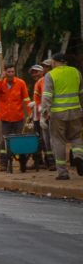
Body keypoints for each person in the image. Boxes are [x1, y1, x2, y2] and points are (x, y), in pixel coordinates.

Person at [40, 52, 83, 180]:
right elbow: (81, 93)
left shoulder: (50, 75)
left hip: (57, 113)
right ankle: (79, 157)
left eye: (52, 62)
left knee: (58, 141)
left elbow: (47, 96)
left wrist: (44, 114)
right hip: (75, 111)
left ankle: (63, 173)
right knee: (76, 137)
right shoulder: (76, 72)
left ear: (55, 62)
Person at [0, 64, 31, 172]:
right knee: (4, 142)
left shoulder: (20, 83)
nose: (11, 74)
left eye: (12, 72)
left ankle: (23, 164)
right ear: (5, 72)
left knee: (20, 141)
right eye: (8, 72)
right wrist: (0, 79)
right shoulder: (1, 83)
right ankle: (3, 164)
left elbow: (26, 99)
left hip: (18, 117)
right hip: (5, 118)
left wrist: (31, 114)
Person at [32, 60, 57, 170]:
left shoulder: (51, 79)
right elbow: (38, 101)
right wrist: (41, 115)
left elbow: (44, 99)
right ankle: (51, 162)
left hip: (54, 114)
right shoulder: (40, 82)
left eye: (47, 67)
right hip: (47, 114)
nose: (46, 69)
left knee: (53, 139)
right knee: (47, 139)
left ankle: (55, 162)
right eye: (44, 67)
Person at [27, 65, 49, 170]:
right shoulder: (38, 82)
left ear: (42, 72)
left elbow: (45, 98)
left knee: (44, 139)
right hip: (37, 115)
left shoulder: (43, 81)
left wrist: (37, 107)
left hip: (43, 116)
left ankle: (48, 161)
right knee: (38, 139)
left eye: (37, 72)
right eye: (33, 73)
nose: (34, 74)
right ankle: (39, 161)